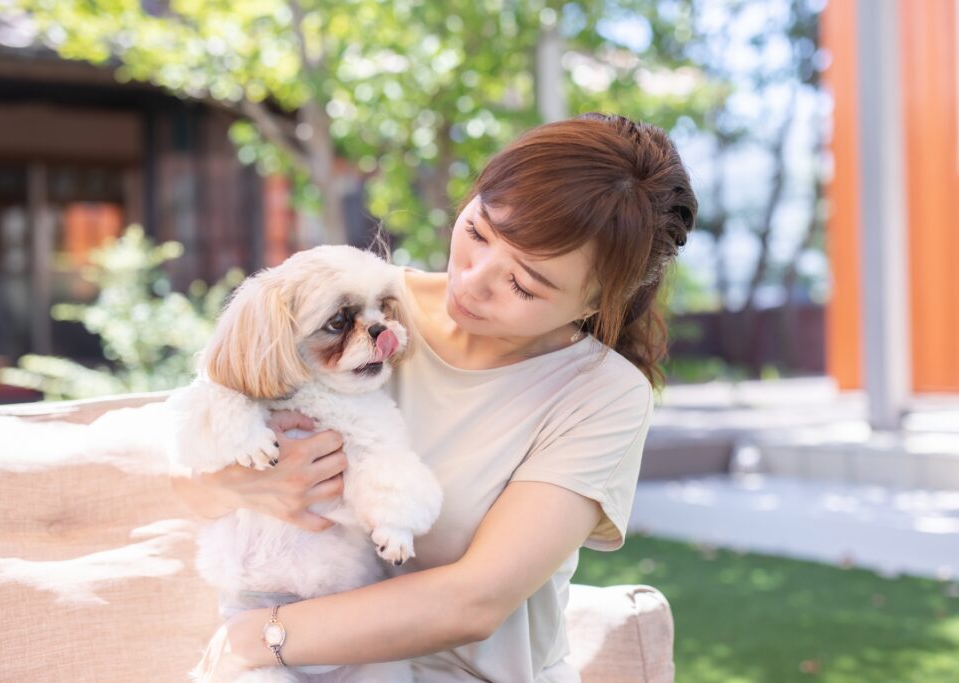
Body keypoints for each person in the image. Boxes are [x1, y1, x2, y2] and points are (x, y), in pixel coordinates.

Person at [171, 112, 697, 682]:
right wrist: (241, 483)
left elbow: (473, 602)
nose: (472, 281)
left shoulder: (601, 394)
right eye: (478, 232)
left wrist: (257, 639)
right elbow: (187, 478)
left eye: (523, 284)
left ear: (595, 303)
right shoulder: (359, 301)